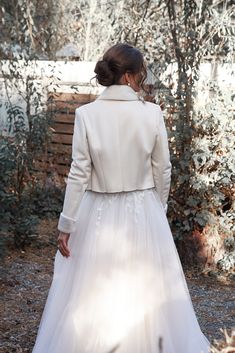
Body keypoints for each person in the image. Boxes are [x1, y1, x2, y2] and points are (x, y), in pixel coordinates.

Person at [32, 43, 211, 353]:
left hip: (96, 209)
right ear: (129, 76)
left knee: (92, 291)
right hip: (143, 208)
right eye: (140, 73)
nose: (142, 78)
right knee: (145, 291)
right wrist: (159, 206)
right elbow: (163, 168)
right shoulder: (151, 113)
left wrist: (66, 224)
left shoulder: (87, 114)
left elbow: (78, 173)